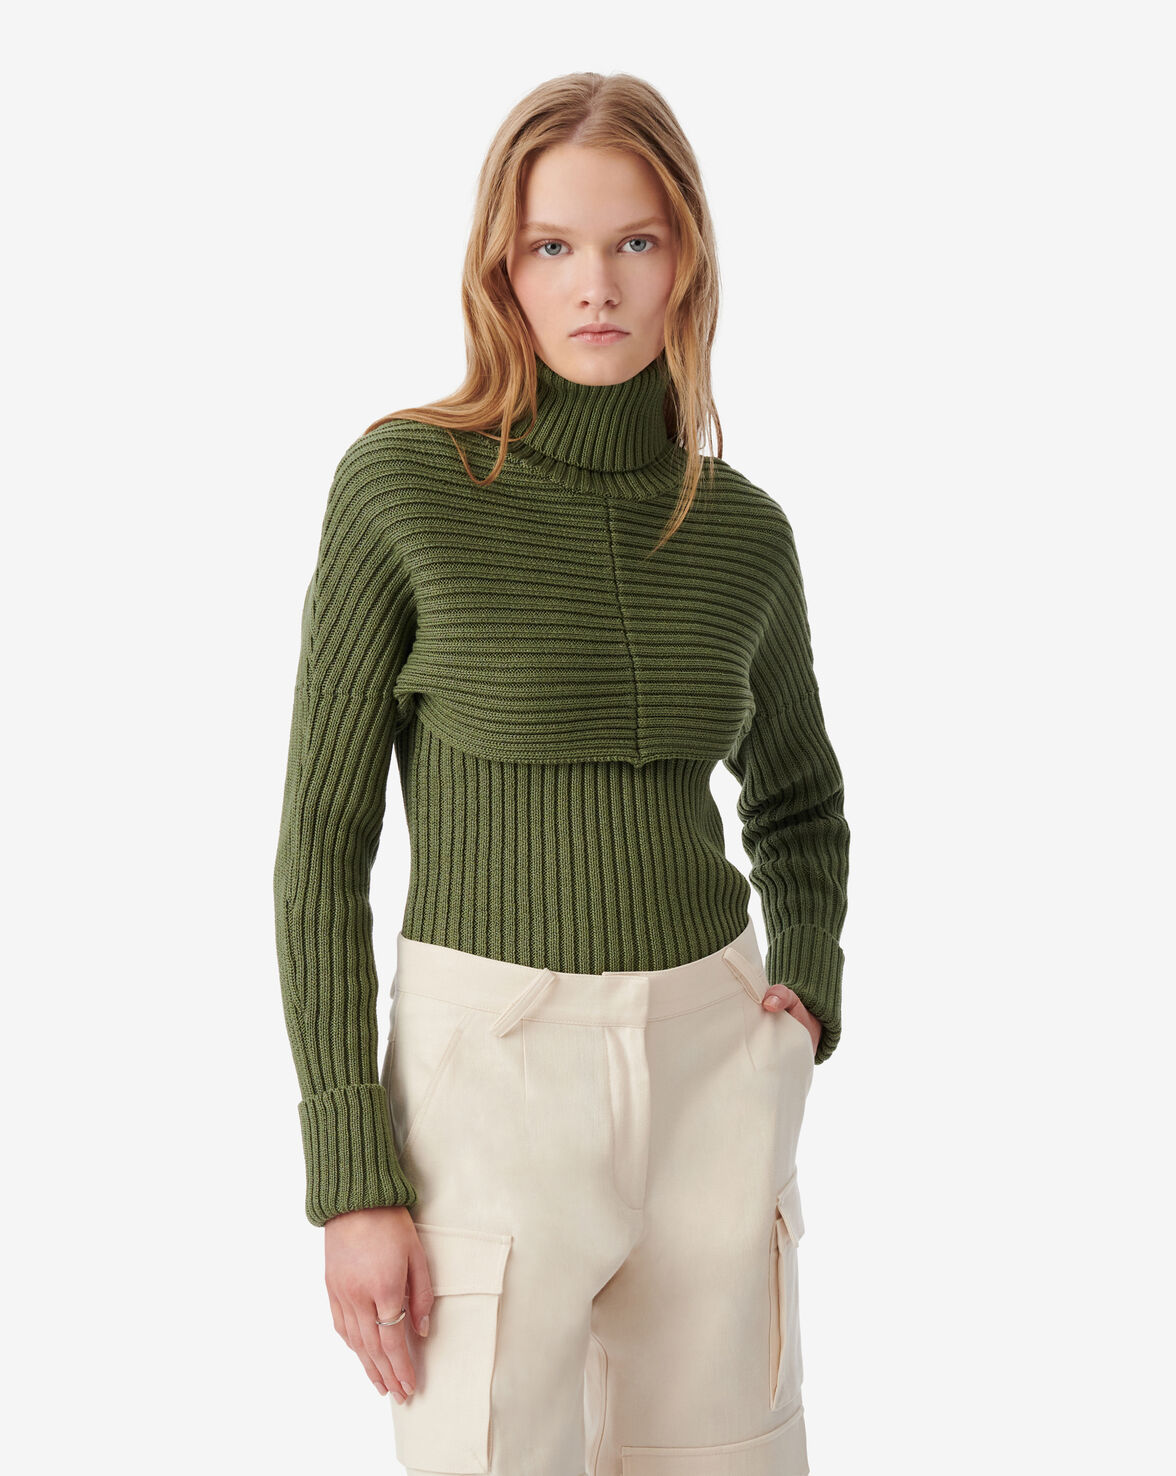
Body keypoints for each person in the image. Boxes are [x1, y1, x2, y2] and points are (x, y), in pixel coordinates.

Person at [274, 70, 850, 1476]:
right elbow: (322, 847)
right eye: (553, 246)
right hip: (489, 1079)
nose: (596, 285)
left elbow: (797, 800)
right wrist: (350, 1174)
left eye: (634, 241)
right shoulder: (405, 486)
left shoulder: (743, 532)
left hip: (715, 1069)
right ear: (502, 266)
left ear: (685, 259)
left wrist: (807, 992)